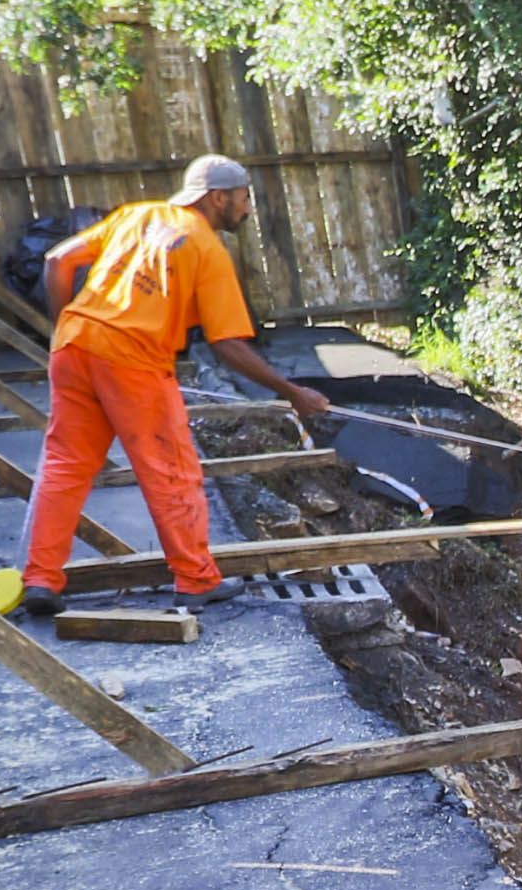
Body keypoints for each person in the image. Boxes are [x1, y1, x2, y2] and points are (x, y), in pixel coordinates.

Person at [21, 152, 331, 617]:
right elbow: (228, 346)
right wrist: (293, 393)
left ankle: (41, 580)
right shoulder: (206, 247)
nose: (247, 209)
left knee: (64, 465)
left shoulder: (136, 215)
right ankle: (195, 579)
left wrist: (64, 326)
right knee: (170, 469)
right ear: (218, 197)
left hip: (74, 346)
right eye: (244, 199)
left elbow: (57, 262)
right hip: (134, 360)